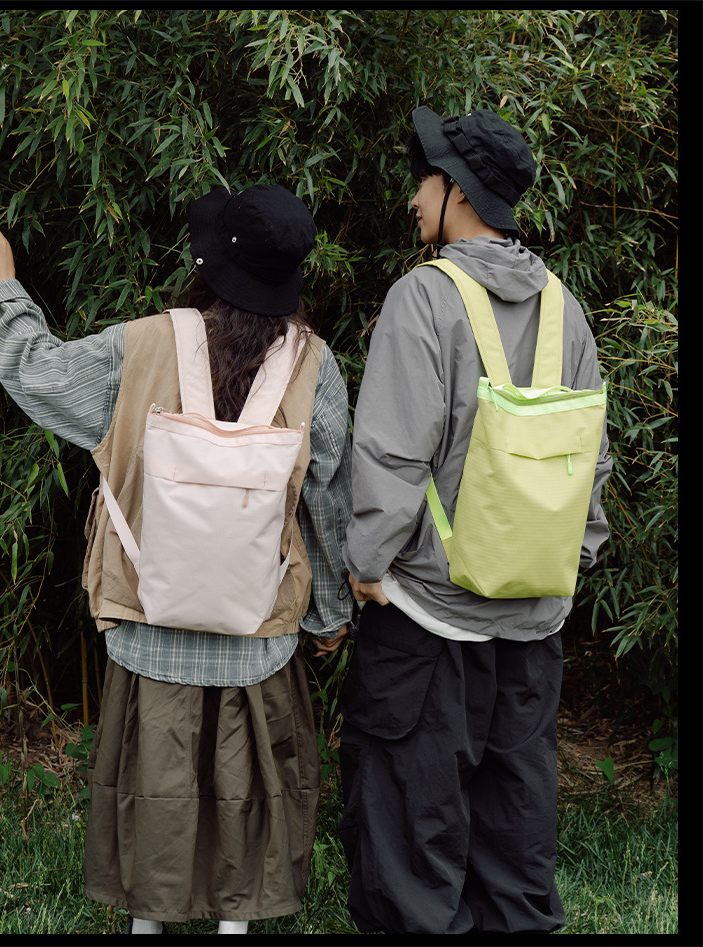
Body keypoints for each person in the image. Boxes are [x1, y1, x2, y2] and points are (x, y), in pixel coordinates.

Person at [0, 183, 352, 935]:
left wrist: (7, 289)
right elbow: (327, 501)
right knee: (247, 781)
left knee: (156, 776)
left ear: (207, 264)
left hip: (150, 618)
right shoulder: (316, 365)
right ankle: (235, 923)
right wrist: (329, 615)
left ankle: (147, 922)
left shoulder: (141, 344)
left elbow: (41, 375)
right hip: (258, 631)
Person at [338, 107, 612, 935]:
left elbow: (392, 453)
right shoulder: (566, 307)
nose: (413, 198)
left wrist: (365, 565)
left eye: (423, 180)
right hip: (533, 616)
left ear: (457, 189)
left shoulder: (424, 297)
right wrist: (571, 557)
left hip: (428, 617)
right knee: (513, 835)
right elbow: (590, 457)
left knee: (411, 844)